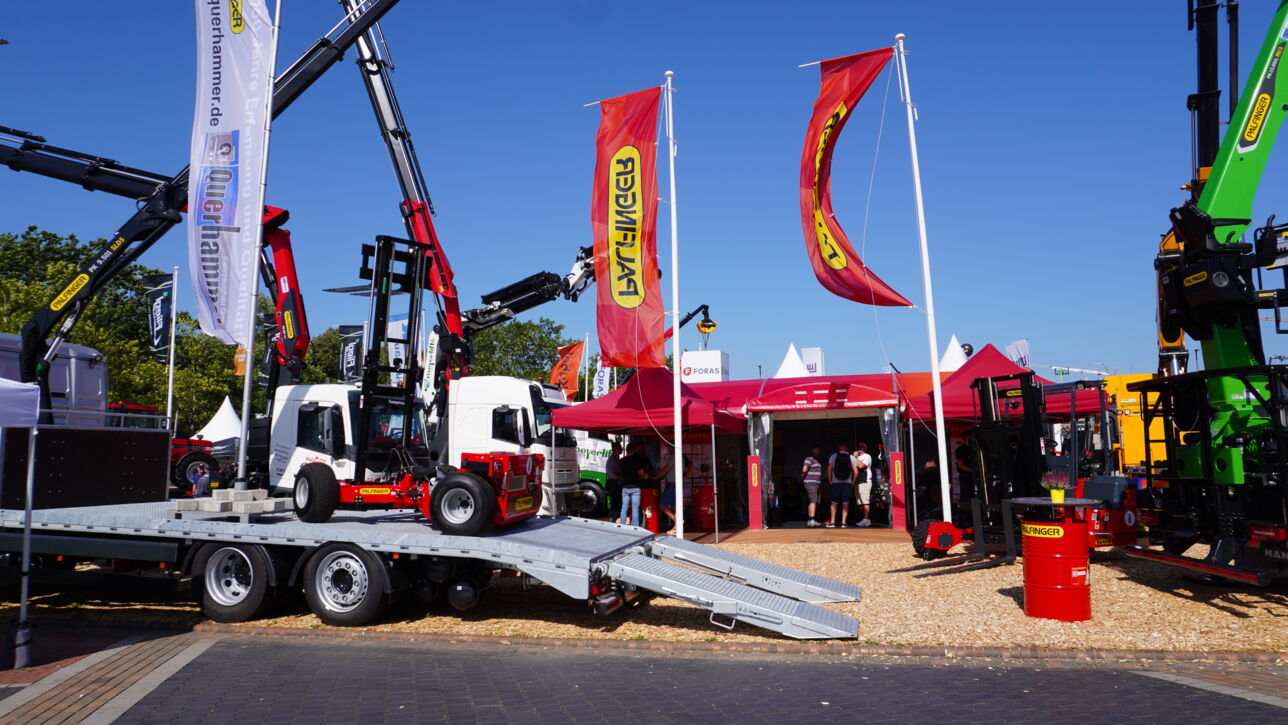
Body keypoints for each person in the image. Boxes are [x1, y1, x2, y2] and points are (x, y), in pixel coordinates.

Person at [618, 442, 652, 527]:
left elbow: (619, 472)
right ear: (634, 450)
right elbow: (641, 473)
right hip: (635, 487)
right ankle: (635, 527)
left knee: (624, 508)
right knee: (635, 508)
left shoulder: (622, 461)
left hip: (625, 487)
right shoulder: (638, 460)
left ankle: (622, 525)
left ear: (626, 450)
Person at [825, 443, 854, 528]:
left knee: (834, 502)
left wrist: (830, 481)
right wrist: (852, 482)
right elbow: (856, 471)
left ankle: (833, 522)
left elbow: (828, 469)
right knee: (845, 503)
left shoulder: (834, 456)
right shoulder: (851, 457)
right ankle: (843, 522)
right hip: (847, 483)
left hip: (835, 483)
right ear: (846, 448)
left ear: (839, 448)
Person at [800, 445, 824, 527]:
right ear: (813, 450)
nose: (818, 451)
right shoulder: (809, 459)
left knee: (812, 501)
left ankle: (810, 520)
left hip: (815, 483)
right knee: (814, 501)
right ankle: (812, 519)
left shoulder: (817, 460)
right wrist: (803, 476)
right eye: (817, 450)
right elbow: (804, 469)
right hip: (811, 483)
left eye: (819, 450)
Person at [853, 442, 873, 527]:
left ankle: (866, 518)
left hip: (865, 481)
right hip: (857, 482)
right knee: (860, 502)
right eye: (859, 448)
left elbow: (861, 466)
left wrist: (856, 457)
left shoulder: (867, 456)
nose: (860, 449)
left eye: (862, 448)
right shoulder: (855, 457)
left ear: (865, 449)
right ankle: (866, 519)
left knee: (865, 501)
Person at [955, 431, 976, 502]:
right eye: (969, 438)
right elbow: (960, 465)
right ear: (965, 438)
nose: (971, 439)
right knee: (966, 496)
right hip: (966, 476)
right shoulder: (960, 450)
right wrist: (973, 471)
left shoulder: (975, 449)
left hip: (976, 476)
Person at [605, 442, 623, 519]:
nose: (622, 449)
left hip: (617, 485)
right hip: (614, 485)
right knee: (615, 504)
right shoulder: (612, 460)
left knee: (617, 502)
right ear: (615, 449)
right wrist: (621, 478)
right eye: (620, 447)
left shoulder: (617, 459)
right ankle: (611, 519)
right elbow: (611, 474)